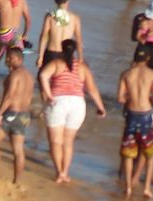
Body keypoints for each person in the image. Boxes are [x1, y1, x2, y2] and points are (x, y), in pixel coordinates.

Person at [39, 39, 105, 183]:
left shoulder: (56, 64)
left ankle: (59, 173)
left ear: (61, 49)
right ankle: (65, 172)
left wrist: (49, 95)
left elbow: (43, 76)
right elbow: (92, 89)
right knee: (68, 142)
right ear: (75, 50)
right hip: (77, 104)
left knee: (56, 142)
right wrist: (100, 107)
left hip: (58, 102)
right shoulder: (82, 67)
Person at [117, 45, 153, 199]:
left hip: (132, 114)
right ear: (148, 58)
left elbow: (120, 98)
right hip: (146, 115)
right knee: (149, 153)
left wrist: (131, 97)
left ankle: (128, 186)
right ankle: (147, 187)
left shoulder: (126, 74)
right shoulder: (152, 74)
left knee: (129, 153)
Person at [0, 44, 33, 184]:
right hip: (24, 115)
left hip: (11, 113)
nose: (7, 61)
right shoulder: (30, 76)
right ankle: (17, 181)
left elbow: (9, 96)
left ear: (17, 58)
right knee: (18, 150)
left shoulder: (15, 74)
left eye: (9, 58)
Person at [36, 0, 83, 67]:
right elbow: (79, 40)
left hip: (51, 52)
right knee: (63, 78)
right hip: (66, 54)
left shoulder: (50, 16)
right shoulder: (75, 18)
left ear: (55, 1)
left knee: (45, 77)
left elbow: (44, 36)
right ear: (68, 1)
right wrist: (80, 58)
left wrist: (40, 56)